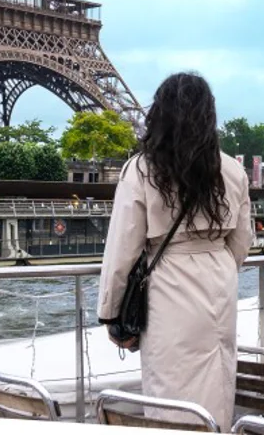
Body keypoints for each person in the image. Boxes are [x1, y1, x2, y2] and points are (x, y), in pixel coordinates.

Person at [97, 72, 253, 430]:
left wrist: (111, 313)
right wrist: (219, 262)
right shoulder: (231, 169)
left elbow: (122, 247)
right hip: (218, 281)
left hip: (168, 285)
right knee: (218, 380)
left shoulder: (140, 170)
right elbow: (242, 242)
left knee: (169, 390)